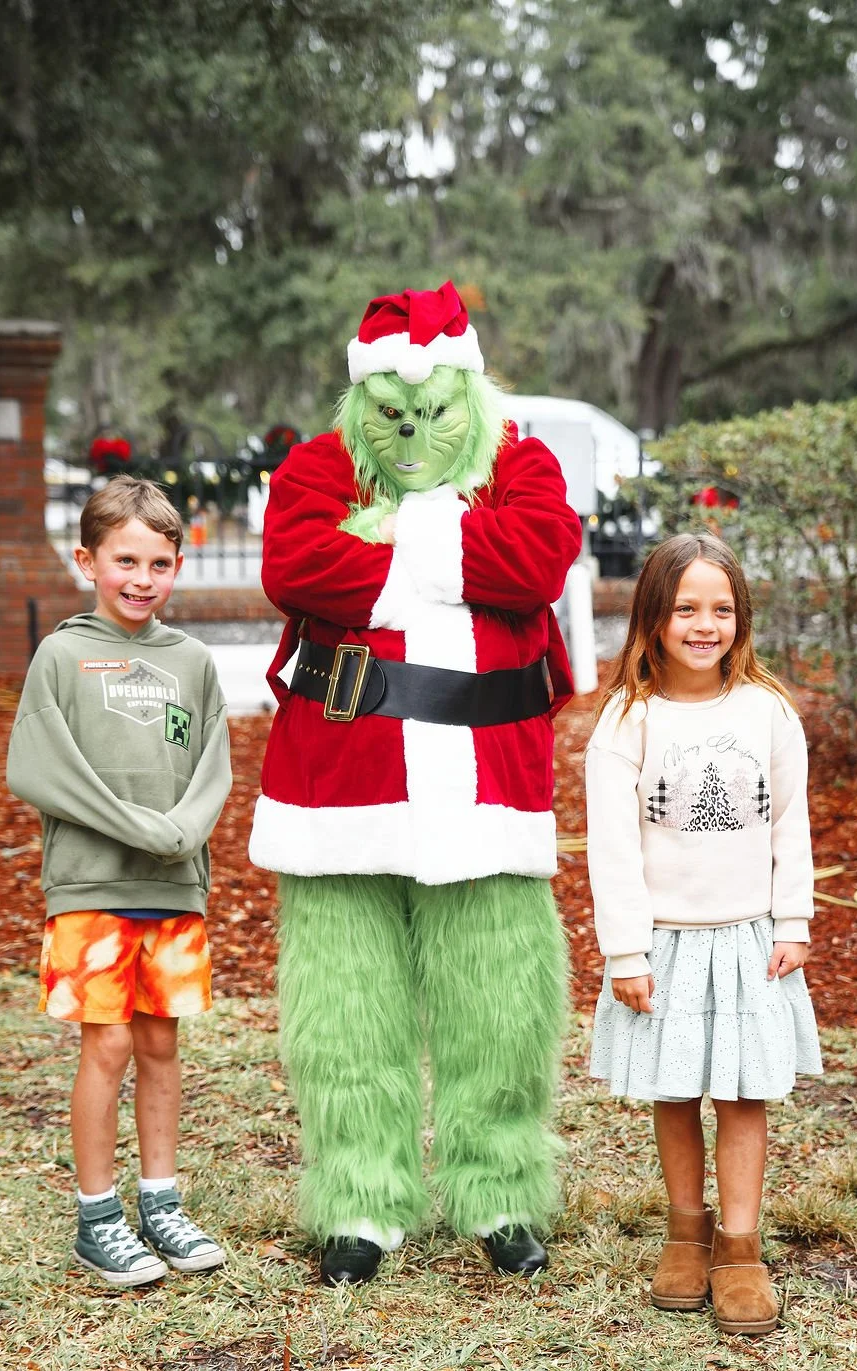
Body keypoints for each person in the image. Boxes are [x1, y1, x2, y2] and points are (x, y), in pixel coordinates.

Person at [248, 281, 583, 1285]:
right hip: (338, 784)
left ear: (469, 395)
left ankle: (502, 1191)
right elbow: (295, 566)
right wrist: (448, 553)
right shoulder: (317, 464)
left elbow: (535, 561)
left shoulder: (522, 462)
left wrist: (391, 538)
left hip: (488, 787)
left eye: (433, 412)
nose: (412, 432)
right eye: (392, 415)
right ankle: (360, 1199)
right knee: (348, 1010)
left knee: (499, 1005)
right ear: (362, 406)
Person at [584, 530, 822, 1336]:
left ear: (741, 619)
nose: (703, 623)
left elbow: (792, 824)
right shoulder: (628, 719)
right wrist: (626, 949)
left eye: (720, 608)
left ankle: (741, 1245)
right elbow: (612, 846)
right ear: (652, 617)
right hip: (667, 943)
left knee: (744, 1091)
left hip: (751, 939)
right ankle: (687, 1231)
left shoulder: (767, 712)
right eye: (685, 607)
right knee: (677, 1088)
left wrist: (793, 920)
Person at [6, 475, 232, 1287]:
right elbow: (38, 766)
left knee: (161, 1045)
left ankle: (160, 1201)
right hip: (90, 887)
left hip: (175, 886)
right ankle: (97, 1217)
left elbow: (214, 766)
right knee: (104, 1045)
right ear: (87, 559)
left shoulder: (193, 661)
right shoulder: (62, 654)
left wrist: (182, 830)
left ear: (177, 566)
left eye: (159, 562)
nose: (142, 577)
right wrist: (142, 828)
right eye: (125, 559)